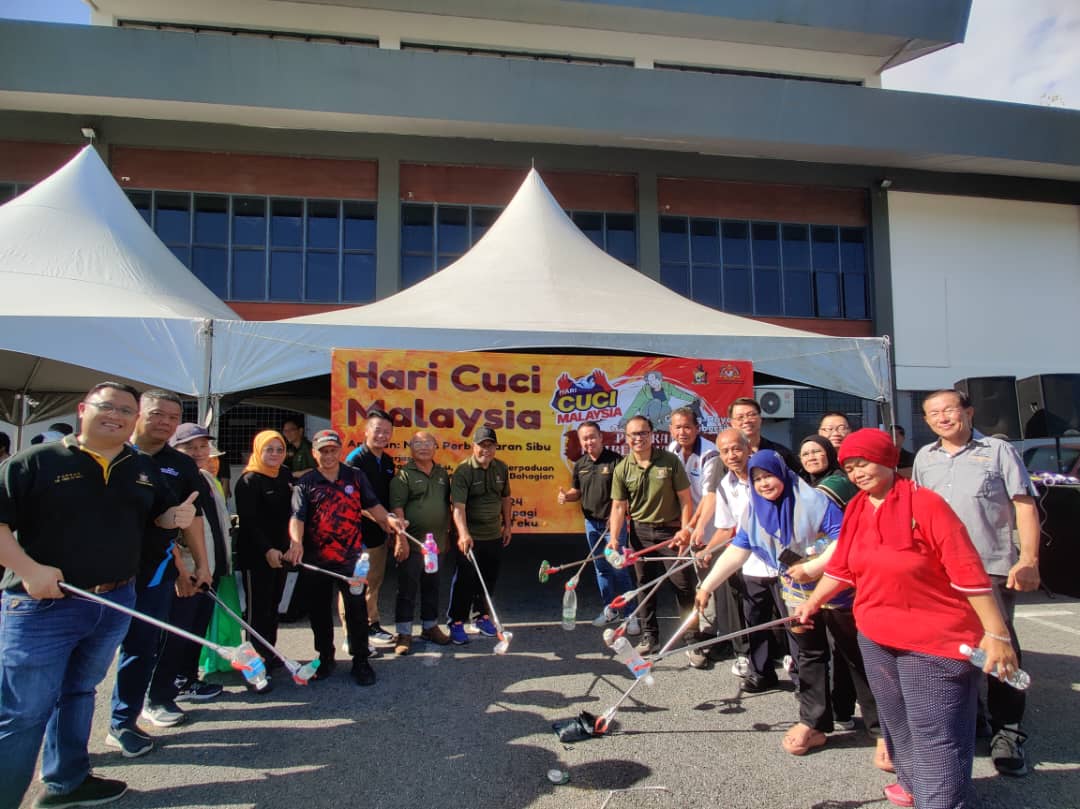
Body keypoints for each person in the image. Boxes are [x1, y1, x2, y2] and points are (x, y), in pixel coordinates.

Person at [797, 428, 1019, 808]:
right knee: (897, 721)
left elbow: (968, 571)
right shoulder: (858, 507)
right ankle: (914, 782)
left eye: (863, 462)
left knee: (935, 730)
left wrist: (997, 635)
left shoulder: (927, 505)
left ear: (886, 459)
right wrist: (812, 602)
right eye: (849, 466)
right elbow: (843, 566)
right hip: (876, 633)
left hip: (934, 640)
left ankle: (942, 799)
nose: (856, 472)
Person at [0, 382, 195, 809]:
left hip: (113, 601)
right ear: (83, 408)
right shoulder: (36, 462)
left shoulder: (139, 467)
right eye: (110, 407)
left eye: (126, 410)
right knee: (22, 714)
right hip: (40, 607)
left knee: (79, 692)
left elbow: (156, 517)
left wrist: (172, 517)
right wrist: (28, 569)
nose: (118, 415)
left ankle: (67, 782)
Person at [913, 389, 1040, 777]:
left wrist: (1029, 559)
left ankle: (1009, 731)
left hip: (990, 568)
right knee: (958, 649)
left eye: (949, 409)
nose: (942, 417)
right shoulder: (924, 458)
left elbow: (1024, 504)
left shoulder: (999, 452)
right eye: (933, 412)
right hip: (940, 572)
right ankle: (975, 720)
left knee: (999, 648)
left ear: (968, 412)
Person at [109, 391, 211, 753]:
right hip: (94, 578)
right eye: (157, 414)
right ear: (138, 414)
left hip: (153, 574)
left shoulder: (180, 465)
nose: (165, 422)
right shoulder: (109, 454)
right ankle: (63, 749)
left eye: (173, 416)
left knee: (142, 648)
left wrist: (201, 563)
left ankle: (123, 722)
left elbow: (192, 517)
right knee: (82, 665)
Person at [288, 429, 405, 686]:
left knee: (356, 610)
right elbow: (297, 517)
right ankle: (326, 658)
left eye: (332, 450)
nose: (328, 455)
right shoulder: (306, 482)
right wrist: (295, 543)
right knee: (319, 612)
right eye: (323, 451)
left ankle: (360, 661)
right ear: (314, 453)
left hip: (351, 560)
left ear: (339, 450)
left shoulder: (355, 476)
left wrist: (390, 520)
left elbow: (372, 505)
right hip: (317, 561)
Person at [798, 434, 884, 765]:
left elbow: (840, 538)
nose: (810, 457)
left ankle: (881, 730)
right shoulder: (807, 486)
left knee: (855, 654)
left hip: (845, 578)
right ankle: (830, 717)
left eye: (817, 452)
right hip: (815, 580)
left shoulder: (834, 485)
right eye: (805, 453)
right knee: (820, 653)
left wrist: (811, 567)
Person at [143, 424, 230, 729]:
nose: (198, 453)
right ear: (175, 449)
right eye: (190, 447)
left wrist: (214, 566)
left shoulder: (206, 478)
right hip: (188, 571)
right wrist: (182, 571)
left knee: (195, 629)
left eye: (203, 446)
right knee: (173, 635)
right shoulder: (168, 480)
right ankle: (157, 698)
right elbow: (166, 533)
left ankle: (186, 680)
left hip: (209, 568)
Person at [699, 428, 796, 691]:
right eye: (725, 451)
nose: (731, 455)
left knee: (793, 624)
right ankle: (761, 673)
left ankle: (802, 678)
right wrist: (708, 549)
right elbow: (726, 528)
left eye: (736, 449)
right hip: (750, 564)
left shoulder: (768, 476)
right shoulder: (724, 486)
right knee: (755, 621)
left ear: (748, 448)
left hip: (786, 564)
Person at [607, 415, 693, 655]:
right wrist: (614, 538)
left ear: (651, 434)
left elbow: (685, 499)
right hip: (640, 533)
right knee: (644, 586)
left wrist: (685, 530)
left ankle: (692, 638)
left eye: (643, 433)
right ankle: (650, 637)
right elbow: (618, 507)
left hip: (671, 532)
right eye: (633, 434)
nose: (639, 438)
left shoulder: (669, 461)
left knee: (683, 585)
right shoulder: (622, 468)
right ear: (626, 438)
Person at [666, 407, 734, 669]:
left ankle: (718, 635)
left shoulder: (710, 454)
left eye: (687, 427)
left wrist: (694, 527)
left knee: (714, 582)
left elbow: (710, 497)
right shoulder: (672, 450)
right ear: (671, 430)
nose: (682, 432)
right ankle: (702, 633)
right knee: (692, 582)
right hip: (688, 528)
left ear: (697, 428)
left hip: (712, 526)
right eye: (677, 427)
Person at [557, 421, 638, 634]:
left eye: (592, 437)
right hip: (591, 524)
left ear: (601, 437)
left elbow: (625, 496)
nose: (589, 441)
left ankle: (631, 615)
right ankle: (610, 609)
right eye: (585, 438)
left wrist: (615, 517)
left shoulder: (616, 462)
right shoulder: (580, 464)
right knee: (601, 569)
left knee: (618, 568)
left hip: (614, 524)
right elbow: (577, 491)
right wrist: (566, 496)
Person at [234, 430, 292, 687]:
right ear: (258, 450)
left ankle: (269, 652)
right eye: (269, 449)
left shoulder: (285, 475)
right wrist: (267, 549)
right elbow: (249, 522)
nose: (275, 454)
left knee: (273, 607)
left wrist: (290, 546)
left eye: (279, 449)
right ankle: (253, 669)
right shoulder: (248, 481)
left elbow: (292, 514)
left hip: (281, 554)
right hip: (257, 555)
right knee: (257, 612)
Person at [388, 431, 452, 654]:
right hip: (412, 544)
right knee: (407, 589)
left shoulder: (442, 474)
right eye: (418, 443)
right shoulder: (403, 476)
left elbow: (447, 505)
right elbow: (397, 510)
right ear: (411, 447)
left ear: (436, 447)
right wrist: (400, 539)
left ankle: (430, 627)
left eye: (428, 443)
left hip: (436, 545)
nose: (423, 447)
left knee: (432, 587)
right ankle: (404, 634)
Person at [447, 426, 512, 645]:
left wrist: (508, 526)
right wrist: (463, 534)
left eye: (490, 445)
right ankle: (456, 622)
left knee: (488, 580)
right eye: (482, 445)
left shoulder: (501, 468)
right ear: (474, 446)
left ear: (495, 447)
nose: (486, 449)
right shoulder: (463, 471)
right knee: (464, 581)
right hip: (471, 537)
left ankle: (481, 617)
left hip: (493, 535)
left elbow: (505, 499)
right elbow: (458, 507)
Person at [344, 409, 397, 649]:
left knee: (373, 582)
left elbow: (386, 498)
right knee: (354, 585)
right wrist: (381, 517)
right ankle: (350, 636)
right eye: (377, 430)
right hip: (357, 535)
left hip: (379, 534)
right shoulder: (355, 460)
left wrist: (390, 522)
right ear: (366, 431)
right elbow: (354, 502)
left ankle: (371, 624)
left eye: (387, 432)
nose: (382, 435)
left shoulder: (387, 461)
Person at [728, 397, 798, 469]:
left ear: (760, 418)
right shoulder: (727, 458)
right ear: (731, 423)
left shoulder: (780, 453)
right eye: (740, 417)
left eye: (751, 415)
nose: (746, 420)